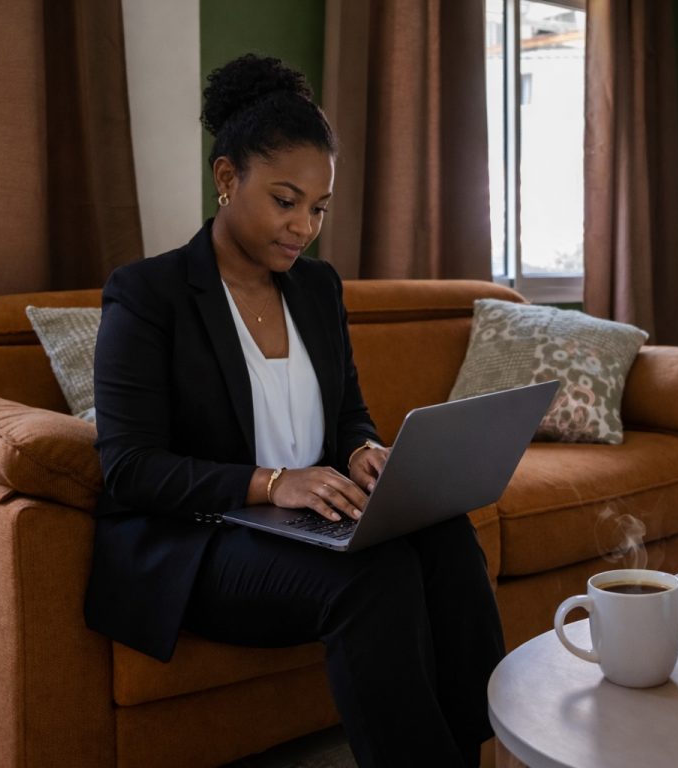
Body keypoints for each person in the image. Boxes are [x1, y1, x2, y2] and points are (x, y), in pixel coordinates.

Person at [84, 53, 505, 768]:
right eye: (285, 200)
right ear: (226, 179)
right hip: (204, 543)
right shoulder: (147, 296)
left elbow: (348, 417)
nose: (304, 226)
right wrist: (274, 483)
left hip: (306, 527)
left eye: (318, 207)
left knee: (444, 536)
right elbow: (128, 468)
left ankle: (482, 750)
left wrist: (364, 450)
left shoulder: (316, 289)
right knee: (374, 577)